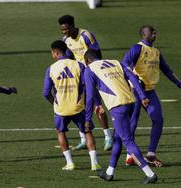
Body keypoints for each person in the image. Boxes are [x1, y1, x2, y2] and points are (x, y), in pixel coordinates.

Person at [84, 49, 157, 184]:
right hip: (131, 102)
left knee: (128, 141)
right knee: (118, 138)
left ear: (87, 61)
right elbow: (133, 77)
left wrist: (87, 119)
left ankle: (150, 174)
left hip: (117, 107)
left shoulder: (89, 70)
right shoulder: (116, 62)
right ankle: (109, 172)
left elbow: (89, 97)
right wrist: (142, 96)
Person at [122, 25, 181, 167]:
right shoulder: (137, 48)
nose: (154, 32)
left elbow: (167, 70)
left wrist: (179, 83)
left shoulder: (156, 51)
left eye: (155, 31)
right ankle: (129, 155)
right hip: (135, 90)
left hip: (150, 91)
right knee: (133, 122)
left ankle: (150, 154)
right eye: (151, 31)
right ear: (143, 34)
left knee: (158, 119)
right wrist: (134, 78)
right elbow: (124, 64)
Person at [43, 40, 101, 171]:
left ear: (56, 52)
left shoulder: (51, 69)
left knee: (61, 132)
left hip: (61, 109)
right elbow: (89, 86)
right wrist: (96, 104)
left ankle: (70, 163)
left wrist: (54, 103)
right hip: (78, 106)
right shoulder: (79, 65)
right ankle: (94, 163)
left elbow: (46, 92)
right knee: (87, 131)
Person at [58, 15, 113, 151]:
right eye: (62, 30)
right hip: (77, 76)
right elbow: (68, 57)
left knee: (96, 105)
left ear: (72, 25)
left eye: (65, 29)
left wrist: (95, 71)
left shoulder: (86, 35)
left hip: (91, 73)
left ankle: (108, 136)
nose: (64, 32)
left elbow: (97, 53)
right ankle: (83, 138)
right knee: (79, 107)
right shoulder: (65, 40)